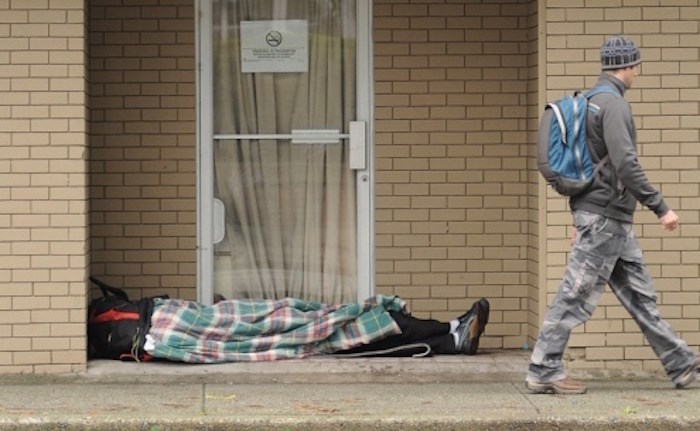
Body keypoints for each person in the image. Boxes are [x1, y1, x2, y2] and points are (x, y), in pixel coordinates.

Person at [526, 35, 699, 395]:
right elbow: (624, 164)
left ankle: (681, 365)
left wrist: (581, 216)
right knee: (574, 295)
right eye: (637, 66)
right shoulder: (613, 105)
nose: (637, 71)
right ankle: (543, 369)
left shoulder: (591, 102)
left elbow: (590, 167)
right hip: (605, 219)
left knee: (640, 296)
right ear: (630, 66)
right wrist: (660, 207)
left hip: (606, 219)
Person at [88, 279, 490, 364]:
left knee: (342, 320)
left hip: (239, 319)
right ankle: (452, 335)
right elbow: (227, 337)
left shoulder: (156, 328)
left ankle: (453, 333)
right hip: (260, 331)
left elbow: (218, 319)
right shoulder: (162, 329)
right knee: (360, 327)